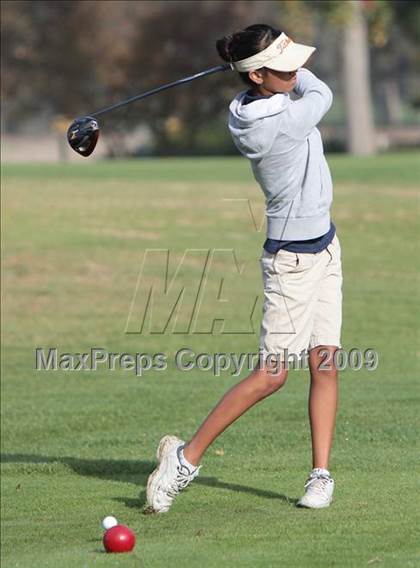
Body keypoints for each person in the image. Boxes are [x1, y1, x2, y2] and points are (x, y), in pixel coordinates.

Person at [146, 24, 343, 513]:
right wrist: (283, 70)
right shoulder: (278, 119)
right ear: (257, 76)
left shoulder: (260, 98)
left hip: (325, 246)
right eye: (284, 65)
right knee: (273, 375)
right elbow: (322, 90)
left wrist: (271, 64)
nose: (296, 70)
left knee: (325, 361)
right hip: (293, 261)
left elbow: (293, 81)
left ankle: (320, 475)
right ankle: (184, 459)